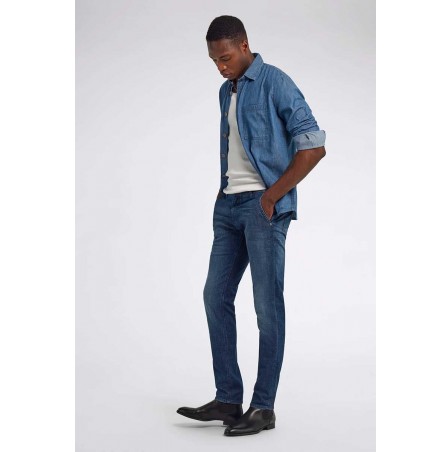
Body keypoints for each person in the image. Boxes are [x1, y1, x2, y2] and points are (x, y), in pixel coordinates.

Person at [177, 15, 326, 437]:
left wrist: (271, 196)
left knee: (266, 305)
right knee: (215, 295)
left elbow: (313, 146)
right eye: (214, 61)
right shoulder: (225, 91)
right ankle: (228, 399)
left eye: (225, 58)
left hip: (263, 209)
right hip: (228, 208)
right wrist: (225, 192)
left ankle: (263, 407)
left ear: (244, 45)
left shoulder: (276, 81)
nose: (220, 67)